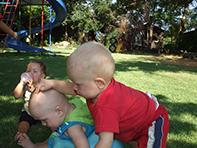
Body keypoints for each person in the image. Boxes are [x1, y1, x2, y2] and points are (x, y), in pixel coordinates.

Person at [35, 41, 170, 148]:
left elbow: (105, 142)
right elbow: (70, 88)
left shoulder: (105, 108)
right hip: (136, 119)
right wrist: (51, 83)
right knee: (132, 139)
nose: (74, 87)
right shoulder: (96, 88)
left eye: (78, 84)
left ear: (99, 83)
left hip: (151, 122)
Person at [17, 89, 95, 148]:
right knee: (54, 136)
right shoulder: (74, 104)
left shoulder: (73, 128)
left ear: (59, 111)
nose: (43, 124)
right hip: (88, 132)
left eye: (44, 120)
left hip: (79, 141)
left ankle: (33, 146)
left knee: (56, 141)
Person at [14, 60, 47, 142]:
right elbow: (17, 96)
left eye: (35, 71)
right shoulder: (25, 85)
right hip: (29, 112)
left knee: (53, 122)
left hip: (43, 112)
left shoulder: (44, 85)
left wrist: (33, 88)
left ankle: (55, 134)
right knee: (23, 122)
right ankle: (21, 133)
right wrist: (21, 84)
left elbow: (41, 98)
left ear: (42, 76)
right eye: (28, 70)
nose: (30, 73)